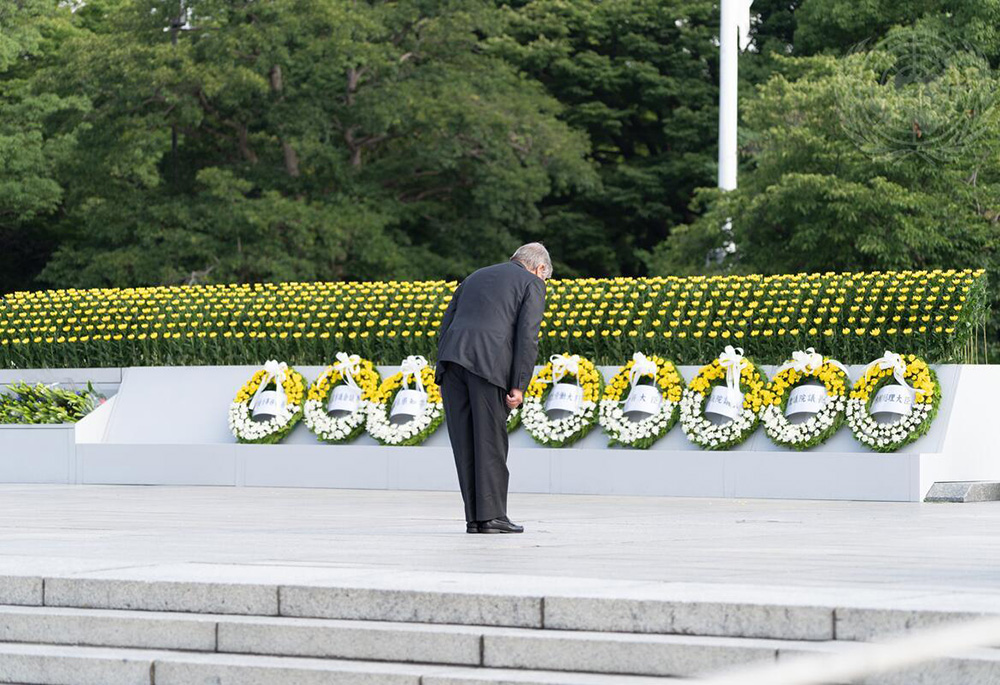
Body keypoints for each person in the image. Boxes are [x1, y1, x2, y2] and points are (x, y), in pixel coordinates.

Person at [435, 243, 550, 534]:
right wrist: (519, 385)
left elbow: (446, 324)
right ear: (540, 269)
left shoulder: (474, 276)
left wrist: (442, 368)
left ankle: (475, 518)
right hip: (488, 366)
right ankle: (493, 516)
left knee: (465, 444)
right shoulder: (531, 283)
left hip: (452, 363)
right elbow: (528, 337)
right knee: (489, 442)